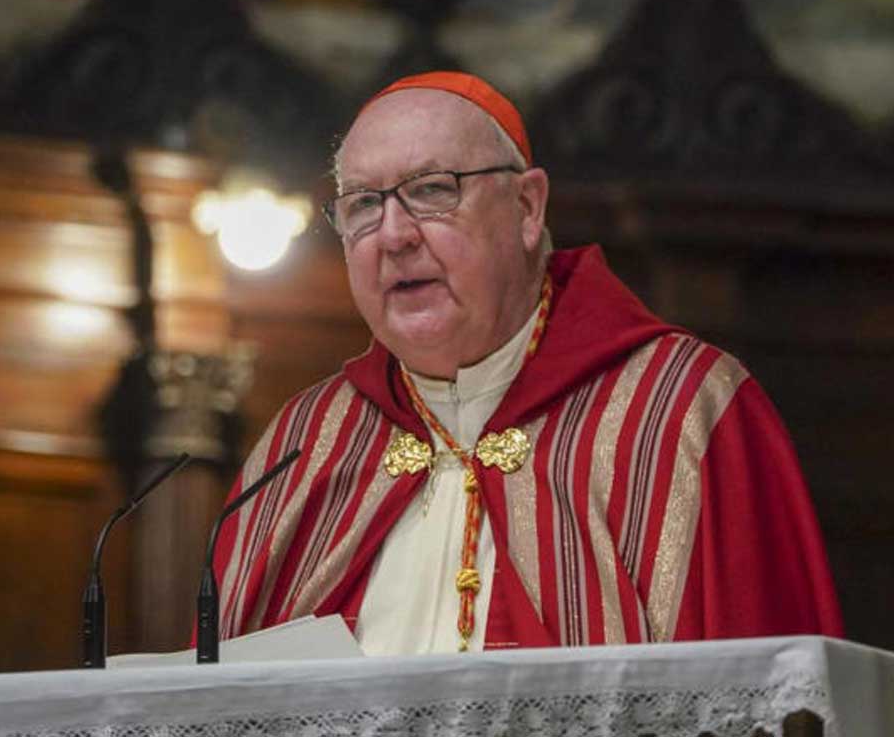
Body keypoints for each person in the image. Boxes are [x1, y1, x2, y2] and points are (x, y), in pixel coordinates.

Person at [210, 71, 843, 653]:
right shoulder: (304, 447)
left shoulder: (680, 413)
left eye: (432, 191)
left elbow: (770, 688)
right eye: (363, 205)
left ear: (526, 208)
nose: (394, 235)